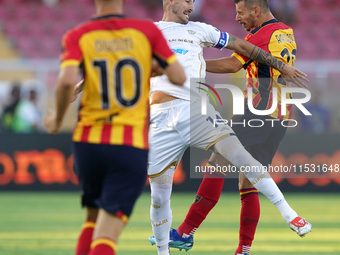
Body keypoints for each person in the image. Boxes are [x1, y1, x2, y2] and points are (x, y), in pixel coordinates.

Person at [147, 1, 310, 255]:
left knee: (217, 162)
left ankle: (185, 232)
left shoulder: (260, 34)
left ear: (256, 10)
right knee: (249, 182)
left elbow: (233, 65)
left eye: (240, 12)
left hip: (258, 108)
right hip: (281, 114)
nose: (237, 18)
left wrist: (189, 61)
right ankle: (243, 250)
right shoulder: (285, 31)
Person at [43, 1, 185, 255]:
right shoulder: (145, 32)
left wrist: (55, 120)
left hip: (88, 143)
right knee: (107, 234)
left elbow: (66, 81)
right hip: (129, 145)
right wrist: (146, 68)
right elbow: (178, 76)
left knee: (92, 218)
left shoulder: (79, 34)